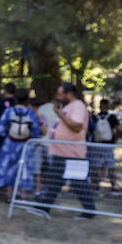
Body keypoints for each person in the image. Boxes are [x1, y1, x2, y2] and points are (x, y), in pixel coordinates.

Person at [29, 82, 98, 218]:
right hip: (61, 152)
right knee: (55, 181)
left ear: (69, 94)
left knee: (78, 182)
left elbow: (77, 126)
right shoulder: (69, 106)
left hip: (73, 152)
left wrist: (60, 115)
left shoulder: (78, 106)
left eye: (61, 94)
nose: (58, 97)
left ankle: (90, 210)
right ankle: (44, 207)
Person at [0, 89, 40, 194]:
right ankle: (23, 195)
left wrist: (6, 135)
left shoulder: (9, 111)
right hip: (26, 144)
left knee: (8, 167)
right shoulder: (30, 112)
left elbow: (1, 129)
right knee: (24, 168)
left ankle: (9, 195)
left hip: (10, 143)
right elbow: (36, 129)